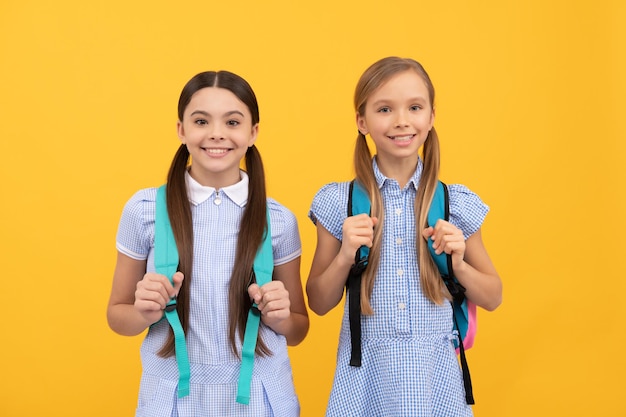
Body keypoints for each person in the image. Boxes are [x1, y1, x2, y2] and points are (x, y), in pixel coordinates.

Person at [306, 57, 502, 416]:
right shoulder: (339, 201)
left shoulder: (454, 201)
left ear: (431, 116)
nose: (401, 121)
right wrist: (345, 254)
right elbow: (318, 301)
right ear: (362, 121)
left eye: (414, 107)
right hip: (364, 378)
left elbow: (493, 296)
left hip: (436, 379)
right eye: (384, 109)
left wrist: (459, 264)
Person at [107, 70, 309, 417]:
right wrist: (143, 312)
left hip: (261, 398)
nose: (217, 134)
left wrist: (280, 316)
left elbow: (298, 329)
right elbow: (117, 315)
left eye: (232, 122)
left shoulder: (279, 220)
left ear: (253, 132)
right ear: (181, 130)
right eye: (201, 121)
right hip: (171, 399)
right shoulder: (143, 211)